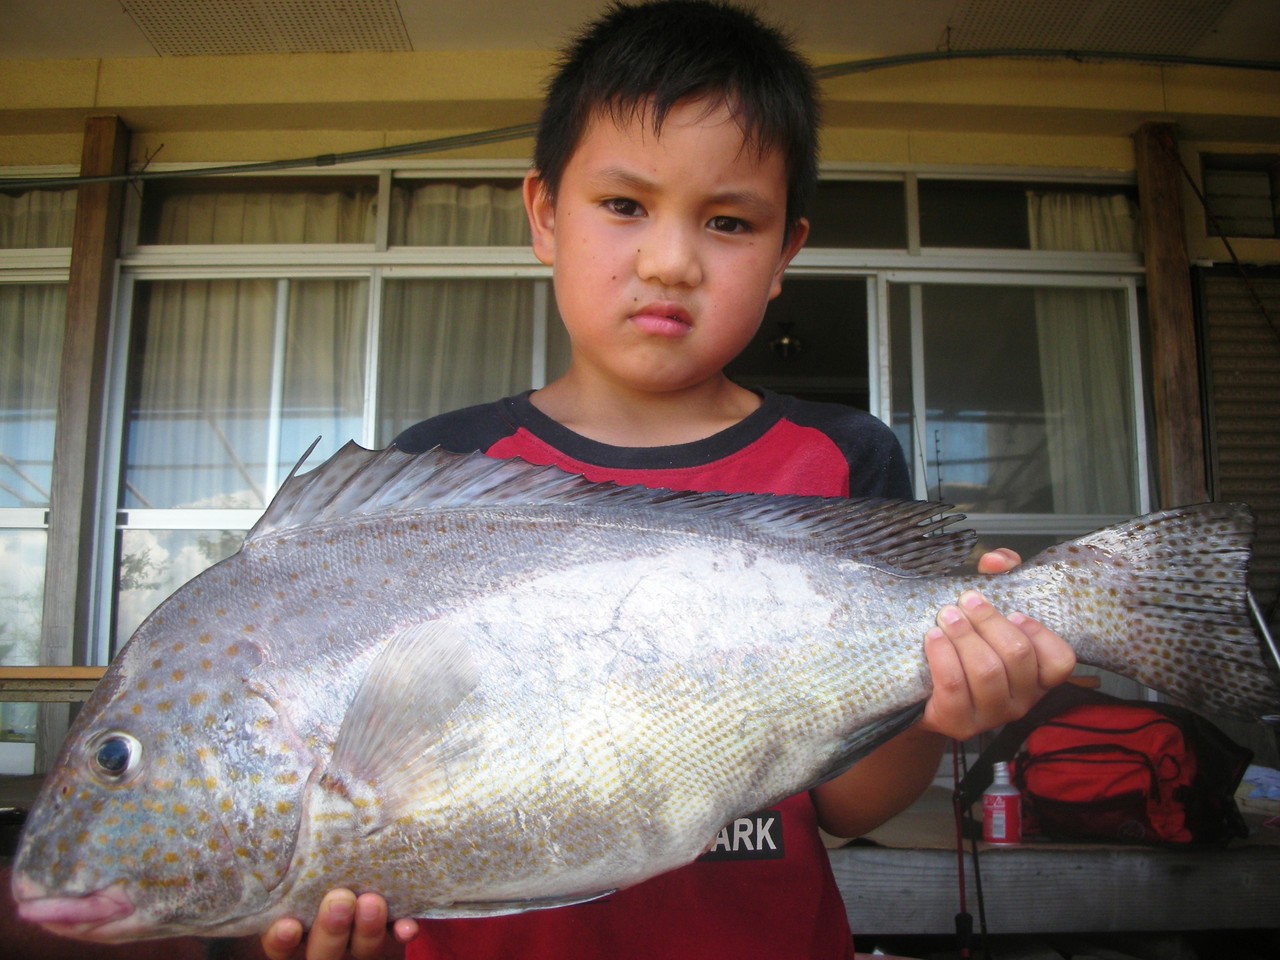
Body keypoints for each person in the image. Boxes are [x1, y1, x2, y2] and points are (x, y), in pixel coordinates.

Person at [261, 2, 1078, 958]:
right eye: (624, 206)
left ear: (785, 257)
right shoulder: (441, 474)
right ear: (544, 216)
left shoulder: (840, 457)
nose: (669, 260)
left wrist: (945, 712)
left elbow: (850, 804)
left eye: (728, 221)